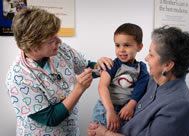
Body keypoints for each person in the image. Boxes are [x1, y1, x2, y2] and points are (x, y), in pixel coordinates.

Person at [5, 7, 113, 136]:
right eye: (51, 39)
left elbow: (85, 66)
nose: (59, 41)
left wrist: (102, 66)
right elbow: (51, 118)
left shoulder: (59, 49)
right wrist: (79, 89)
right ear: (33, 46)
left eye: (56, 34)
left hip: (70, 131)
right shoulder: (18, 78)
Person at [88, 26, 189, 136]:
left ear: (168, 65)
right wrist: (101, 64)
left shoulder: (180, 106)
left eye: (151, 54)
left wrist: (106, 133)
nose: (146, 58)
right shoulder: (153, 80)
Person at [92, 23, 149, 132]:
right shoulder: (112, 65)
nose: (121, 50)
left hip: (126, 110)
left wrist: (131, 106)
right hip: (106, 108)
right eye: (117, 45)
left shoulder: (141, 68)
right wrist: (110, 110)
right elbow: (102, 86)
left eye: (127, 45)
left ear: (139, 47)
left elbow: (140, 89)